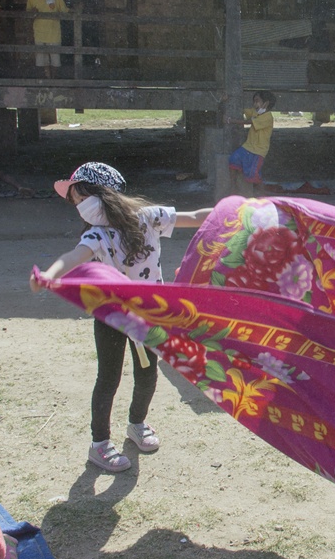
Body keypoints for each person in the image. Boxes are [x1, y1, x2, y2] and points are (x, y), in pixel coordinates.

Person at [30, 162, 212, 473]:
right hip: (111, 317)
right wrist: (49, 274)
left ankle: (137, 424)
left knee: (147, 373)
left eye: (77, 198)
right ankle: (99, 444)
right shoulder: (96, 236)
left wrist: (237, 211)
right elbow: (72, 258)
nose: (77, 206)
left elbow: (195, 218)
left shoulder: (149, 217)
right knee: (108, 378)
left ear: (98, 194)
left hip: (148, 315)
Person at [227, 90, 276, 197]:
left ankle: (263, 197)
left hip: (258, 151)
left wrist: (230, 121)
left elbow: (248, 122)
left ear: (266, 103)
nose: (255, 104)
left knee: (254, 176)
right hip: (247, 147)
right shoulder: (255, 112)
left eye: (257, 101)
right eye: (254, 101)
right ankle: (233, 188)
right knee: (233, 160)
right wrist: (227, 100)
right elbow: (243, 110)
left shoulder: (267, 117)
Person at [25, 0, 68, 75]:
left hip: (54, 33)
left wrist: (74, 10)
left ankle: (54, 79)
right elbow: (28, 13)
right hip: (39, 33)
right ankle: (47, 78)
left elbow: (64, 10)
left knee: (55, 60)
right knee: (43, 60)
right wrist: (32, 12)